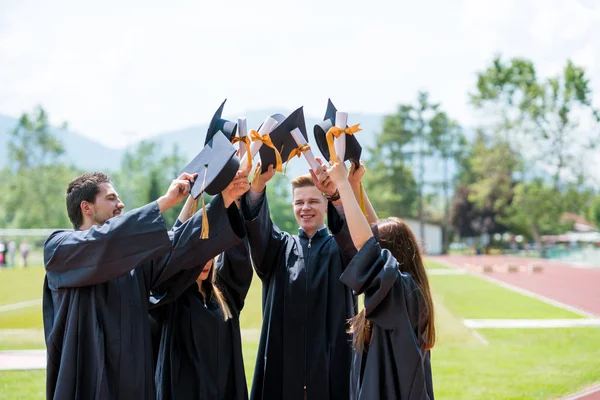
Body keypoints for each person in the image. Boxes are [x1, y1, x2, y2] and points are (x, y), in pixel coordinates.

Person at [43, 169, 249, 400]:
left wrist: (225, 201)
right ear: (86, 207)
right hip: (85, 383)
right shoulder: (60, 249)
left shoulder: (135, 264)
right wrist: (164, 202)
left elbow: (179, 246)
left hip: (133, 385)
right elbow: (102, 242)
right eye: (111, 198)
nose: (120, 204)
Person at [240, 158, 356, 400]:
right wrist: (258, 187)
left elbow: (354, 237)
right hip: (284, 370)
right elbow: (257, 229)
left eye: (313, 201)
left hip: (331, 369)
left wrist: (337, 195)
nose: (306, 208)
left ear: (325, 205)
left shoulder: (342, 249)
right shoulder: (278, 249)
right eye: (299, 202)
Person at [328, 161, 436, 400]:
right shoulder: (406, 286)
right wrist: (357, 186)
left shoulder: (401, 288)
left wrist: (343, 184)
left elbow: (367, 244)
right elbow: (376, 234)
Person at [151, 194, 253, 400]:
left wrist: (233, 198)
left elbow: (239, 257)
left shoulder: (226, 296)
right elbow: (176, 251)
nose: (205, 262)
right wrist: (193, 196)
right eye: (199, 256)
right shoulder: (172, 297)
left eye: (209, 254)